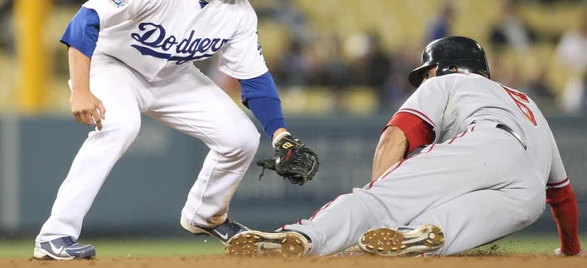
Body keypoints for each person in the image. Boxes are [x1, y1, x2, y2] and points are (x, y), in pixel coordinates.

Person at [33, 0, 319, 261]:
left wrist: (280, 134)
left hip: (173, 75)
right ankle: (55, 235)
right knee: (121, 125)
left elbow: (255, 79)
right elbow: (85, 20)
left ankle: (206, 216)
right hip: (113, 65)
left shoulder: (240, 14)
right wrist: (80, 88)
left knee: (241, 139)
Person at [227, 36, 582, 258]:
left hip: (483, 144)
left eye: (427, 72)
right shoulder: (529, 105)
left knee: (375, 202)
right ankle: (418, 234)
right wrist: (570, 250)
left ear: (448, 67)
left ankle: (304, 237)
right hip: (528, 192)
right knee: (437, 231)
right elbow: (562, 196)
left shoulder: (449, 81)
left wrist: (383, 201)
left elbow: (393, 139)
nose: (424, 80)